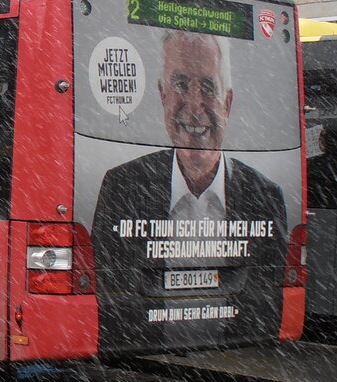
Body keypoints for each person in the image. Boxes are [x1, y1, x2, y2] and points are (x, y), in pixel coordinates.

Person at [91, 29, 287, 295]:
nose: (195, 107)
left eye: (209, 88)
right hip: (145, 335)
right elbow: (110, 292)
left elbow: (268, 299)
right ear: (163, 96)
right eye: (181, 85)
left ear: (227, 103)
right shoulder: (122, 187)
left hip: (235, 335)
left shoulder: (265, 196)